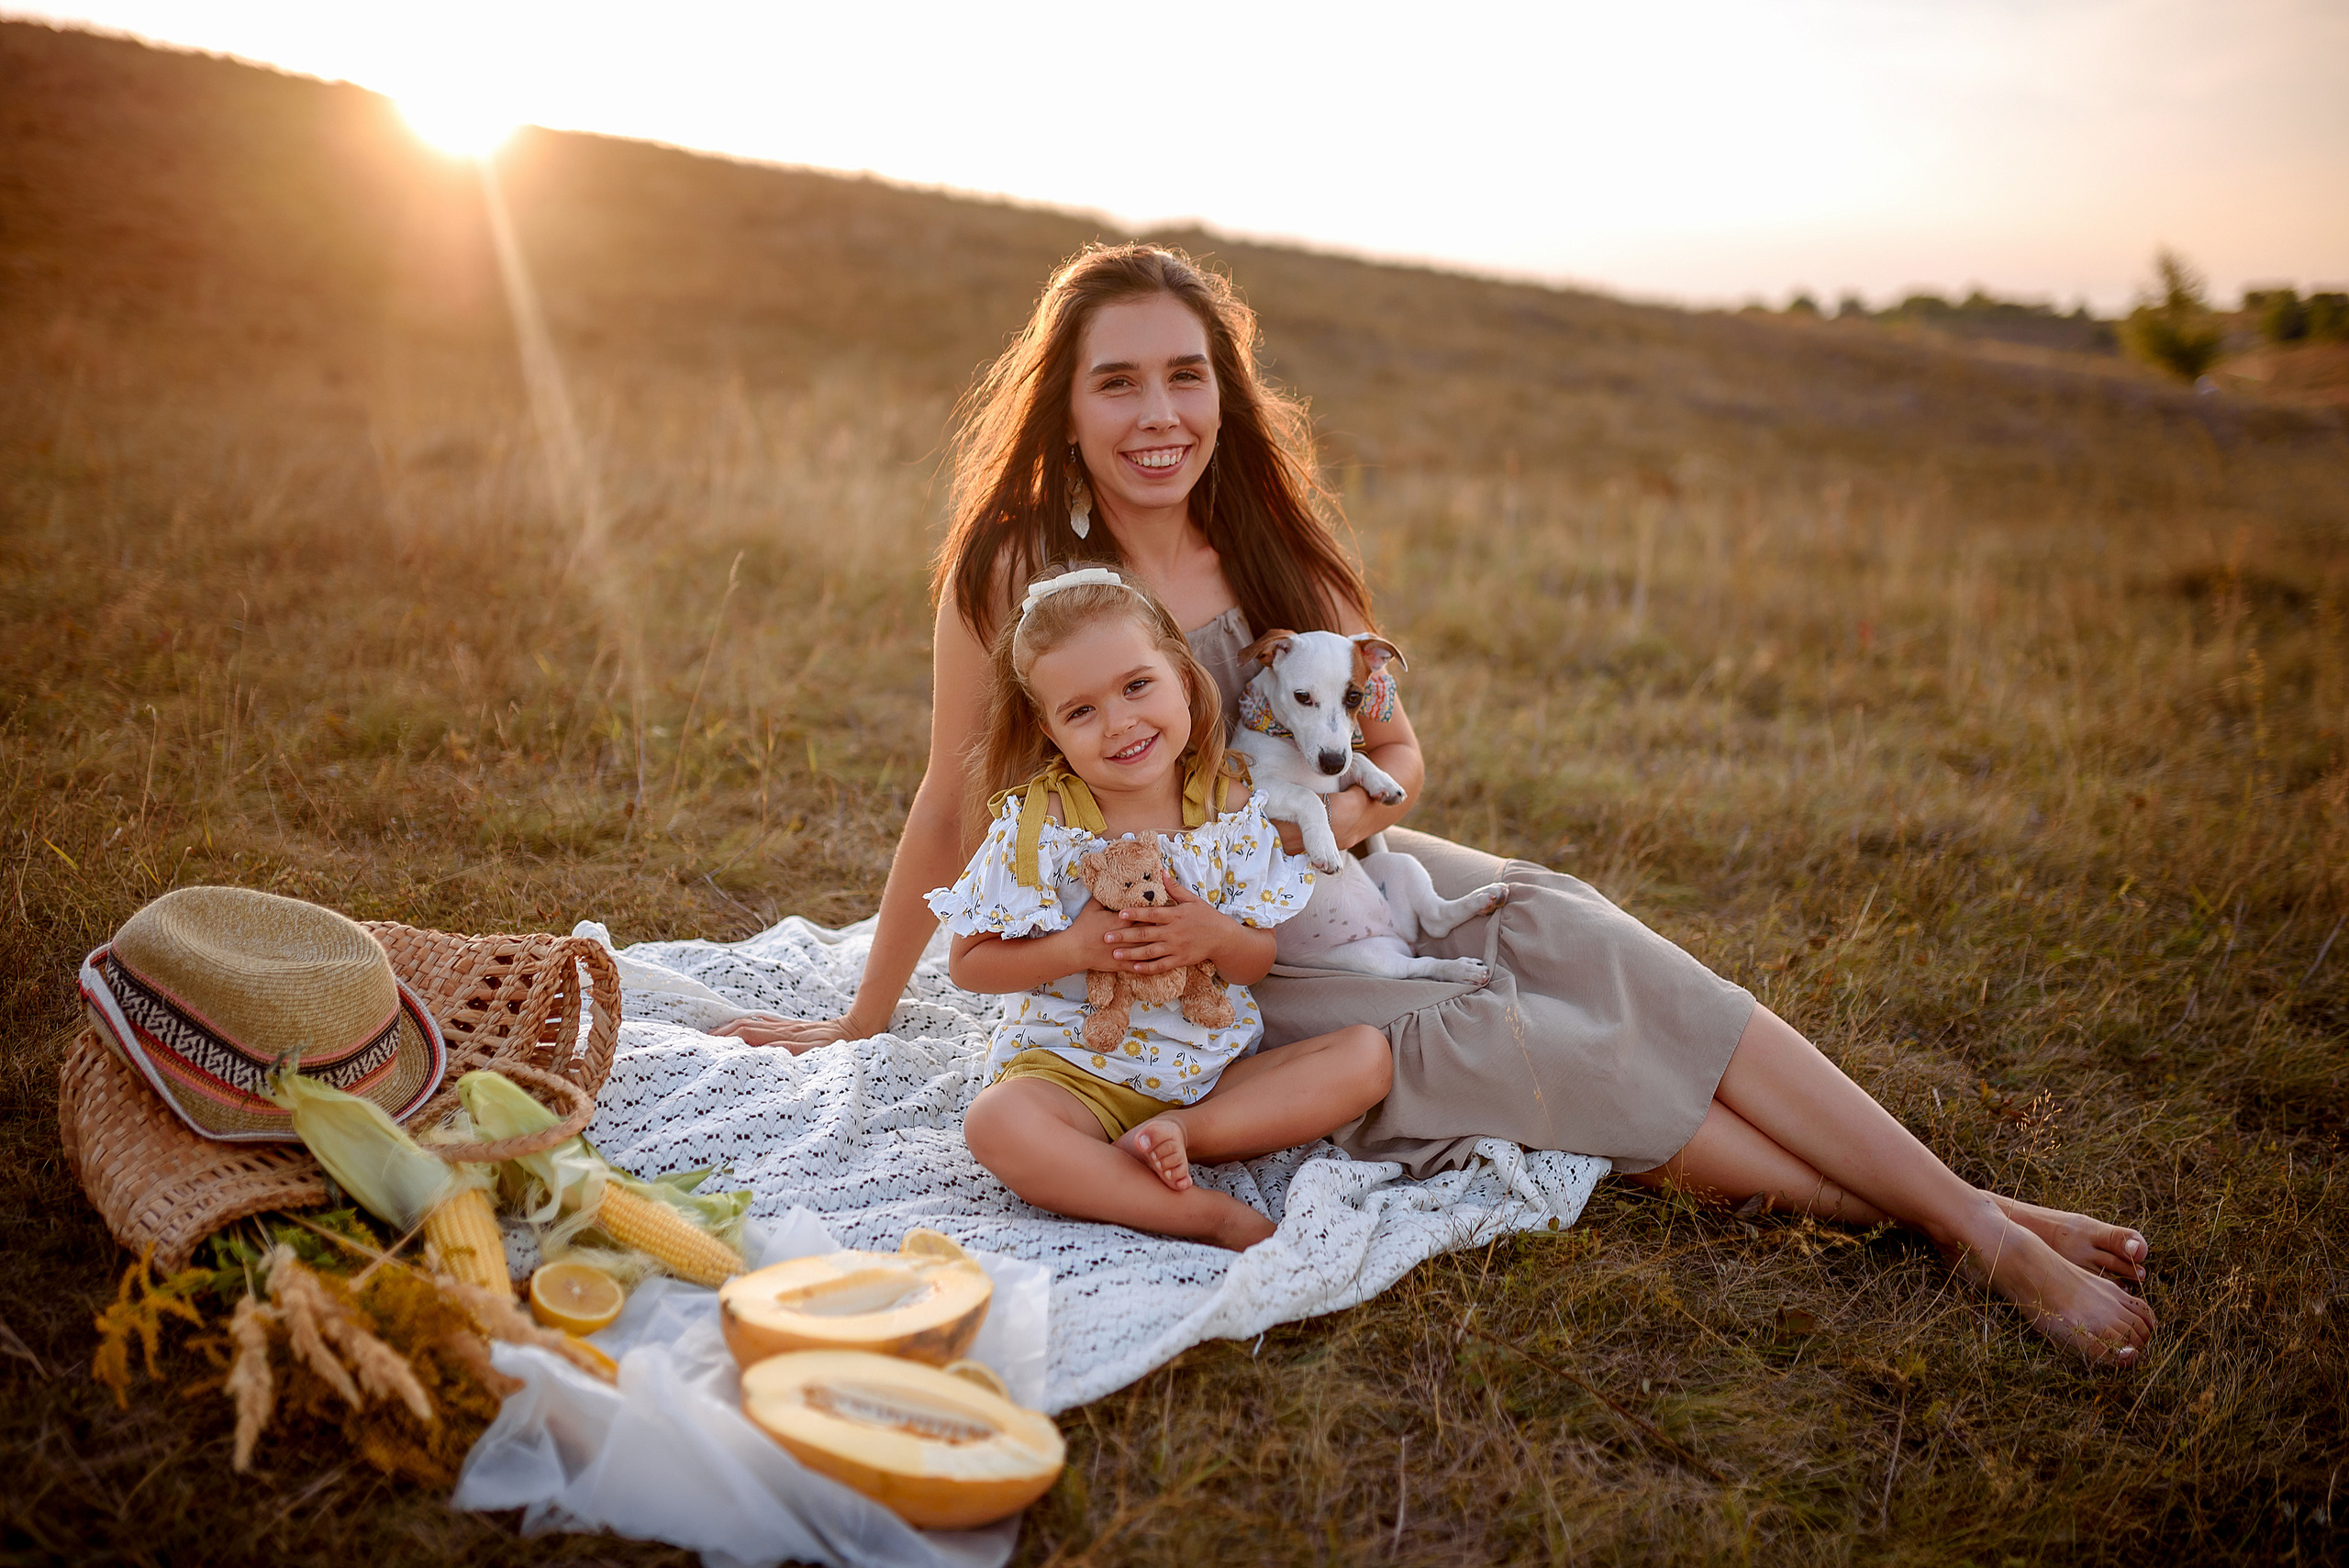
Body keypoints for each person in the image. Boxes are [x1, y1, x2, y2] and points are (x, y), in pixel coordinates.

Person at [719, 243, 2156, 1363]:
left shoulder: (1285, 553)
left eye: (1185, 376)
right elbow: (946, 802)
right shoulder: (1014, 570)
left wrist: (1348, 824)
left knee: (1588, 938)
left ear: (1223, 387)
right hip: (1237, 958)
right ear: (1067, 405)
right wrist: (865, 1011)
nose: (1159, 415)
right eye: (1118, 382)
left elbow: (1399, 766)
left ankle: (1972, 1212)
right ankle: (1982, 1235)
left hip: (1363, 874)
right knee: (1525, 1043)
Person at [926, 564, 1391, 1249]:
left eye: (1136, 685)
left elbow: (1255, 958)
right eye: (1081, 711)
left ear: (1181, 673)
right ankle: (1202, 1214)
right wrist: (1075, 949)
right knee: (994, 1123)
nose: (1120, 724)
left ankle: (1173, 1138)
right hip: (1075, 1074)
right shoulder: (1042, 825)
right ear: (1048, 729)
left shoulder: (1230, 807)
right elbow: (967, 962)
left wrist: (1213, 933)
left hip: (1213, 1076)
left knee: (1365, 1057)